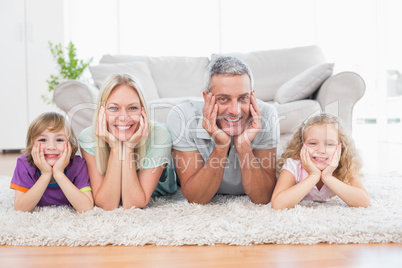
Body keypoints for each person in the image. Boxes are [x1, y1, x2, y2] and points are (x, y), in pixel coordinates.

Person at [166, 56, 279, 204]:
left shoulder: (267, 115)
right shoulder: (182, 116)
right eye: (223, 99)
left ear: (252, 96)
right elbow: (196, 198)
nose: (235, 110)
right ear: (207, 98)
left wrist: (243, 146)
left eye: (243, 98)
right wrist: (221, 146)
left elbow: (263, 197)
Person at [78, 73, 177, 211]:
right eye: (113, 108)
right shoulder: (88, 138)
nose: (124, 117)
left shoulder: (159, 135)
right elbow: (108, 204)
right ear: (102, 111)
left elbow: (134, 203)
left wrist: (129, 147)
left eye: (132, 108)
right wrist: (116, 148)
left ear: (142, 110)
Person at [271, 113, 370, 209]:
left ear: (340, 148)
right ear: (302, 145)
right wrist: (313, 176)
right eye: (313, 143)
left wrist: (327, 177)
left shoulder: (343, 164)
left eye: (330, 144)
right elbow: (278, 204)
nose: (321, 150)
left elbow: (364, 202)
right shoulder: (293, 165)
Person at [10, 112, 94, 213]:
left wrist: (59, 173)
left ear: (70, 144)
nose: (51, 147)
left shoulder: (78, 165)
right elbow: (20, 208)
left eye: (59, 139)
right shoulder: (24, 163)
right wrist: (45, 174)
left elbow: (86, 207)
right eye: (42, 139)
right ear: (32, 144)